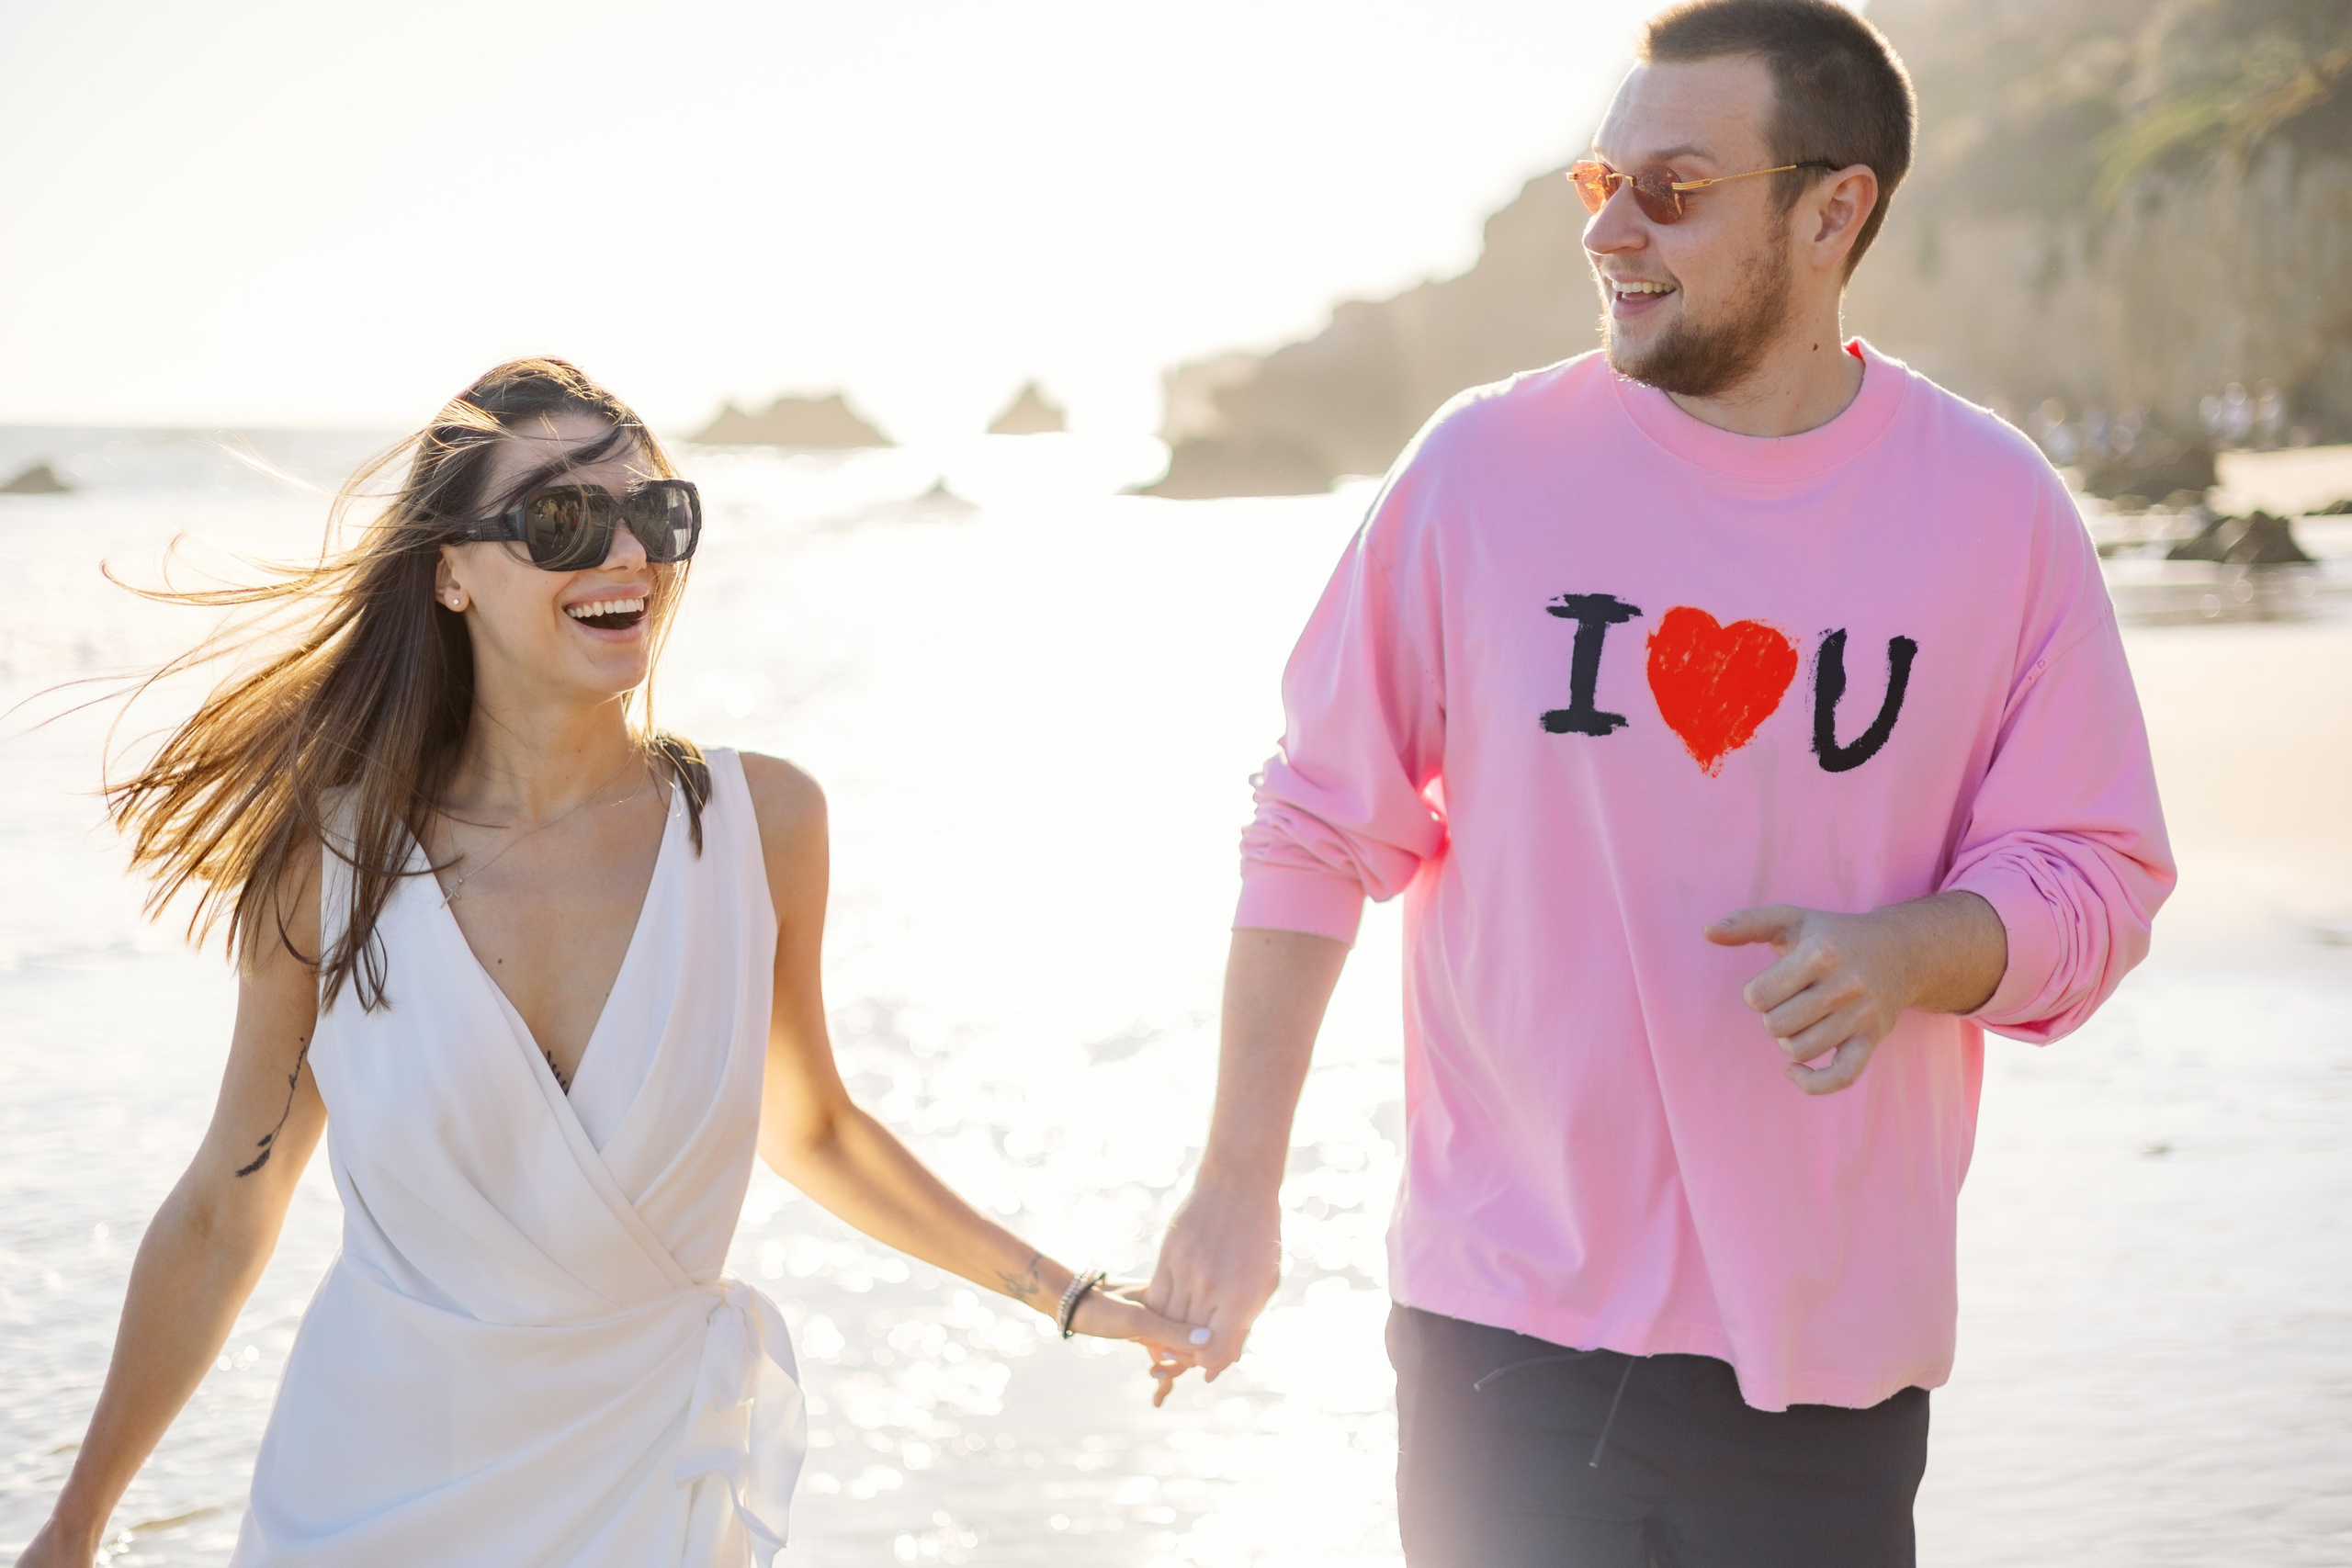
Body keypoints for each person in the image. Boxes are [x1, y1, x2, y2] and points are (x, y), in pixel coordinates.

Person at [1145, 3, 2174, 1564]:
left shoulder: (1995, 509)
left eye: (1674, 189)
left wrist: (1908, 953)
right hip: (1504, 1330)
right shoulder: (1480, 471)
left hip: (1827, 1353)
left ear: (1832, 212)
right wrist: (1237, 1185)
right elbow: (1315, 823)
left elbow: (2097, 875)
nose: (1611, 231)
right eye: (1600, 183)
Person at [15, 358, 1204, 1568]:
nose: (628, 553)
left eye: (656, 514)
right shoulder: (333, 863)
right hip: (362, 1501)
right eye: (564, 521)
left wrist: (1068, 1298)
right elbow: (228, 1206)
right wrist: (75, 1523)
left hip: (641, 1493)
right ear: (451, 572)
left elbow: (815, 1128)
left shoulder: (763, 828)